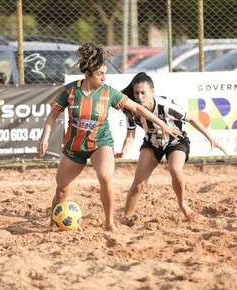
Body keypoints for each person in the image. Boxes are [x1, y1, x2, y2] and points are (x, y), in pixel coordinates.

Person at [38, 43, 182, 231]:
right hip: (75, 146)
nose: (104, 77)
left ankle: (109, 223)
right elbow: (53, 114)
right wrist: (45, 136)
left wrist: (162, 124)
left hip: (101, 143)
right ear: (88, 73)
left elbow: (137, 108)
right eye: (100, 74)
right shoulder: (70, 91)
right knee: (62, 190)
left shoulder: (108, 93)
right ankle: (53, 221)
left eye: (105, 73)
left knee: (105, 177)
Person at [115, 72, 227, 220]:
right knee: (138, 185)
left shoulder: (165, 105)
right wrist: (124, 150)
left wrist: (211, 138)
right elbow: (130, 136)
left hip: (176, 140)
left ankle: (183, 205)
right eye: (136, 93)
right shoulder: (132, 110)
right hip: (153, 142)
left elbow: (192, 118)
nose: (140, 97)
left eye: (143, 93)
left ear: (152, 91)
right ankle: (126, 218)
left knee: (175, 169)